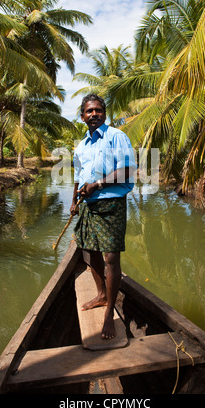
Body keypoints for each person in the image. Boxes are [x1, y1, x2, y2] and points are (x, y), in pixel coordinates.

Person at [70, 93, 137, 340]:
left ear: (104, 113)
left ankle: (109, 312)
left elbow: (128, 169)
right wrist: (73, 201)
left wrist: (97, 184)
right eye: (89, 111)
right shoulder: (81, 145)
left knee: (111, 258)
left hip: (110, 205)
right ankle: (101, 295)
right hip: (87, 204)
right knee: (91, 252)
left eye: (98, 110)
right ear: (82, 116)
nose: (94, 114)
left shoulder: (116, 137)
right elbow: (77, 174)